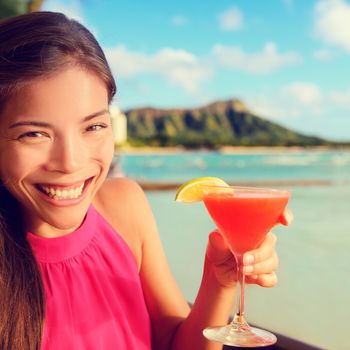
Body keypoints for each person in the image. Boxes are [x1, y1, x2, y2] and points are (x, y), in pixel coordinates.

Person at [0, 11, 291, 350]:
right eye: (34, 134)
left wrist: (219, 279)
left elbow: (173, 341)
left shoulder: (125, 208)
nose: (71, 162)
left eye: (93, 127)